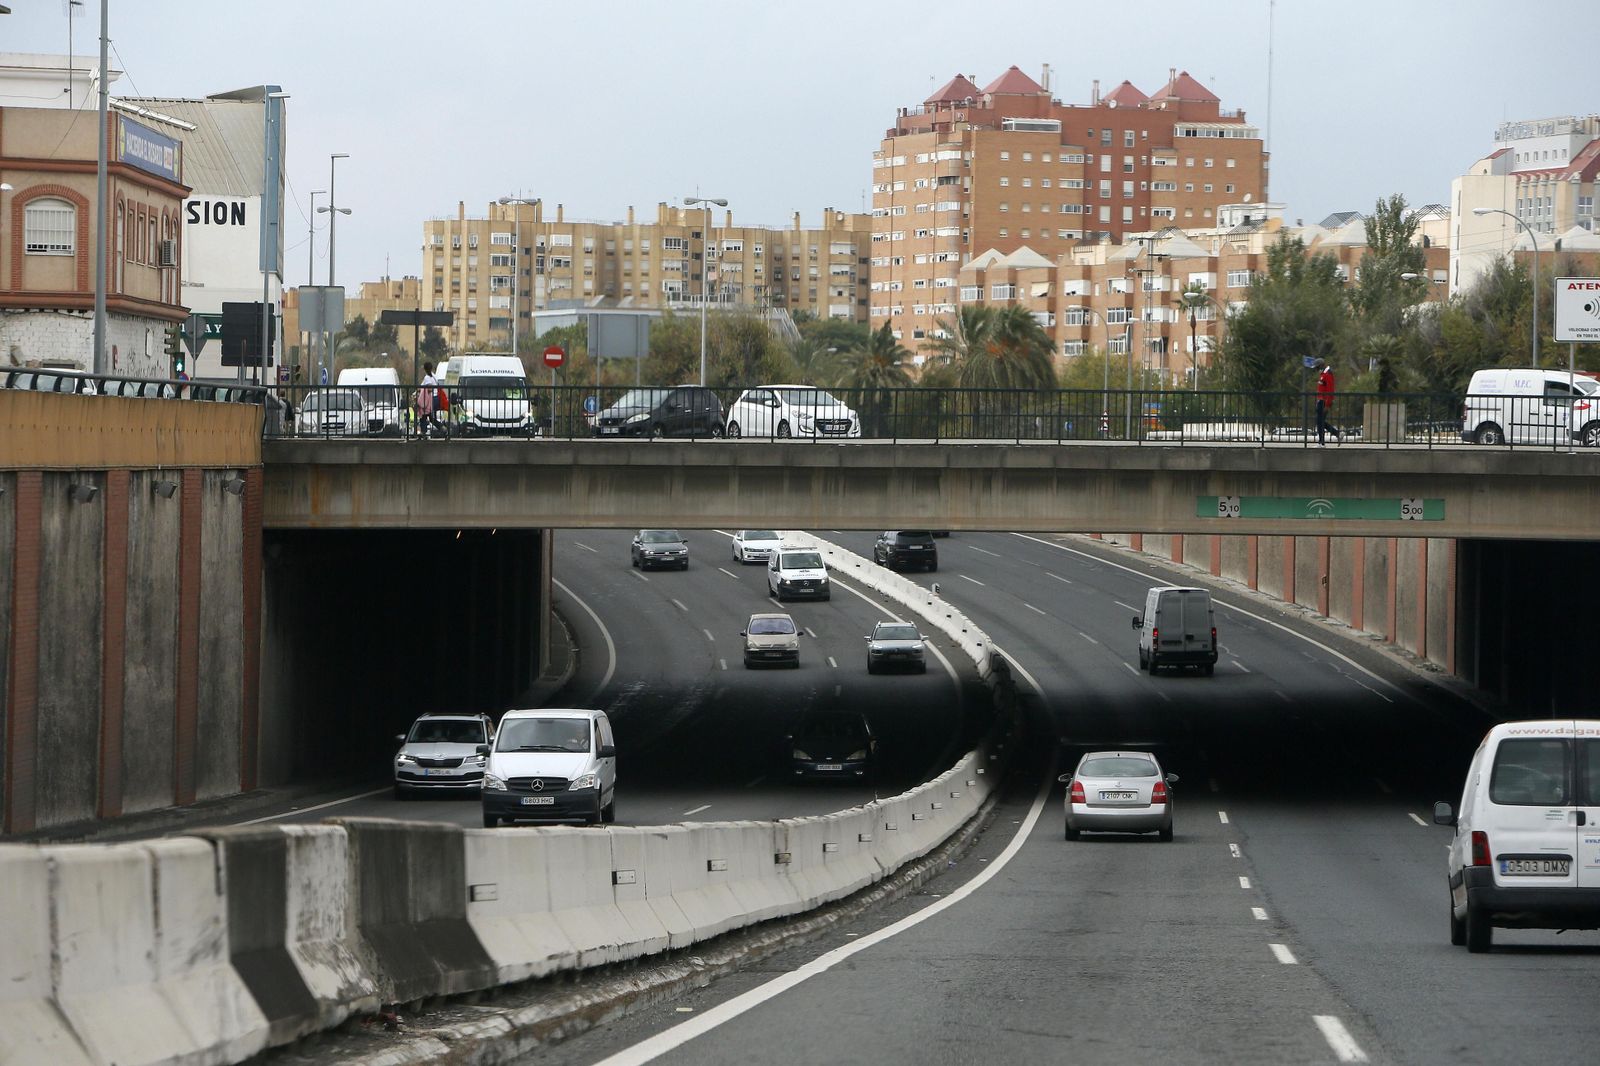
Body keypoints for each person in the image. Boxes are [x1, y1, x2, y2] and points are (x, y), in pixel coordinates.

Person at [1315, 361, 1341, 446]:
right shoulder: (1323, 374)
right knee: (1320, 422)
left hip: (1324, 402)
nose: (1316, 369)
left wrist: (1327, 405)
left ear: (1321, 366)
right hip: (1320, 401)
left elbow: (1330, 391)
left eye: (1317, 367)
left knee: (1320, 422)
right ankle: (1337, 434)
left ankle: (1322, 443)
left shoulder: (1328, 374)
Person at [415, 361, 441, 440]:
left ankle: (423, 433)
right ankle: (442, 428)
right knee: (429, 417)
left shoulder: (427, 378)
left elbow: (429, 388)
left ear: (425, 369)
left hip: (429, 399)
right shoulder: (434, 376)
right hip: (436, 398)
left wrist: (421, 390)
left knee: (423, 415)